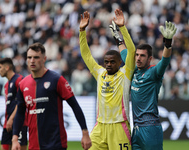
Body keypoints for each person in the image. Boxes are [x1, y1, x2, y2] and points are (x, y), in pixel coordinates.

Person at [11, 43, 91, 150]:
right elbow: (20, 113)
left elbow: (75, 106)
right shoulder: (23, 84)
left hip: (55, 144)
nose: (32, 60)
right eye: (29, 57)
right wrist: (15, 138)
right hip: (34, 146)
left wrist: (85, 132)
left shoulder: (56, 79)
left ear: (44, 59)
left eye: (36, 57)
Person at [110, 21, 177, 149]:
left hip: (151, 129)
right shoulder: (134, 69)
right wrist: (117, 37)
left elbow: (164, 61)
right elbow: (124, 53)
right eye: (137, 55)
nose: (138, 58)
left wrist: (167, 44)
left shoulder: (153, 73)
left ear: (149, 58)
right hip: (136, 130)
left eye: (142, 56)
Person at [79, 9, 135, 150]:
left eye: (112, 62)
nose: (109, 64)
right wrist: (81, 31)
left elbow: (132, 51)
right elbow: (86, 55)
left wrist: (122, 28)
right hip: (100, 126)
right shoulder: (100, 73)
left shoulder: (125, 74)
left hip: (119, 126)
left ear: (119, 62)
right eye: (106, 62)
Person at [0, 58, 27, 150]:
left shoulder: (19, 80)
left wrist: (12, 118)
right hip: (8, 123)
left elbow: (22, 103)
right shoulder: (6, 85)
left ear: (7, 67)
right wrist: (8, 120)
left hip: (19, 122)